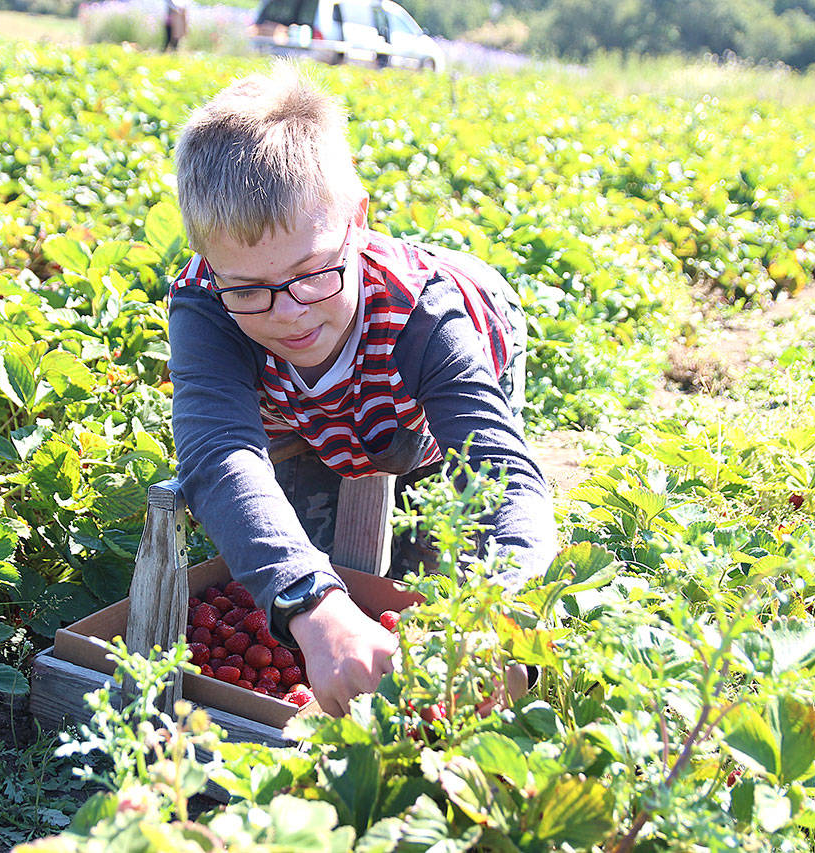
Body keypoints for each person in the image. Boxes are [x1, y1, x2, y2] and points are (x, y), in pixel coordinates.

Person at [167, 63, 557, 716]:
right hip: (314, 409)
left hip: (436, 380)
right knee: (289, 537)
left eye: (311, 272)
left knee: (437, 557)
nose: (289, 312)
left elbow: (502, 474)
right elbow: (219, 453)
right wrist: (311, 601)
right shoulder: (208, 305)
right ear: (211, 264)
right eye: (249, 289)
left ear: (358, 219)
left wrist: (506, 605)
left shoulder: (423, 317)